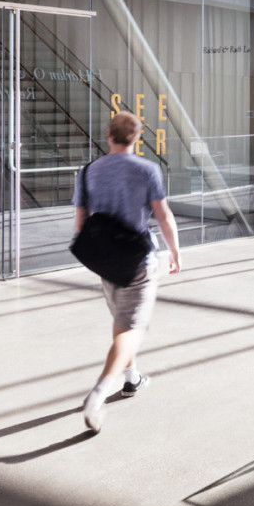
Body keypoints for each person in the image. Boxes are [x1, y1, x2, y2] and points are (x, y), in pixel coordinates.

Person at [72, 111, 181, 434]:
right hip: (138, 260)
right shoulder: (147, 170)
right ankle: (100, 392)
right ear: (137, 139)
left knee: (122, 324)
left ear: (109, 135)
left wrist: (93, 256)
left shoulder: (88, 171)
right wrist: (175, 251)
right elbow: (163, 216)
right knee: (134, 328)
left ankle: (132, 380)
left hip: (105, 260)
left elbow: (81, 218)